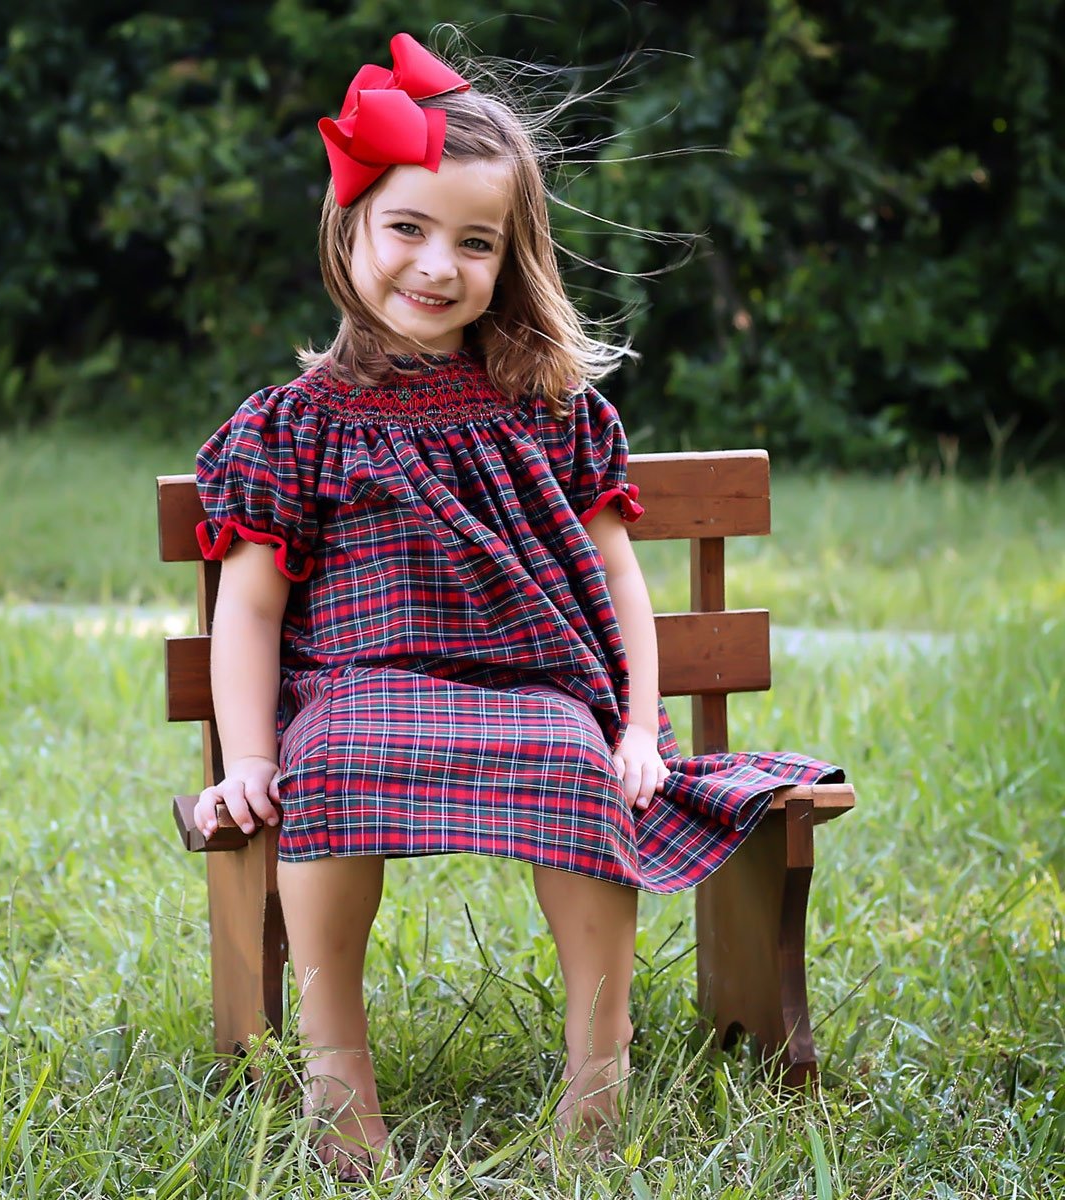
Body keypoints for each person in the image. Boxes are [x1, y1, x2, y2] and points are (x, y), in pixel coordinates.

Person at [192, 33, 840, 1178]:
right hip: (357, 689)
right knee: (334, 759)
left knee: (572, 764)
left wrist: (636, 730)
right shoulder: (298, 423)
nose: (438, 265)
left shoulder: (551, 412)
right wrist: (247, 759)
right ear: (349, 229)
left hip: (534, 688)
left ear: (512, 256)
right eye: (409, 228)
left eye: (475, 242)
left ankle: (600, 1070)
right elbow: (248, 612)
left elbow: (618, 583)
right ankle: (337, 1071)